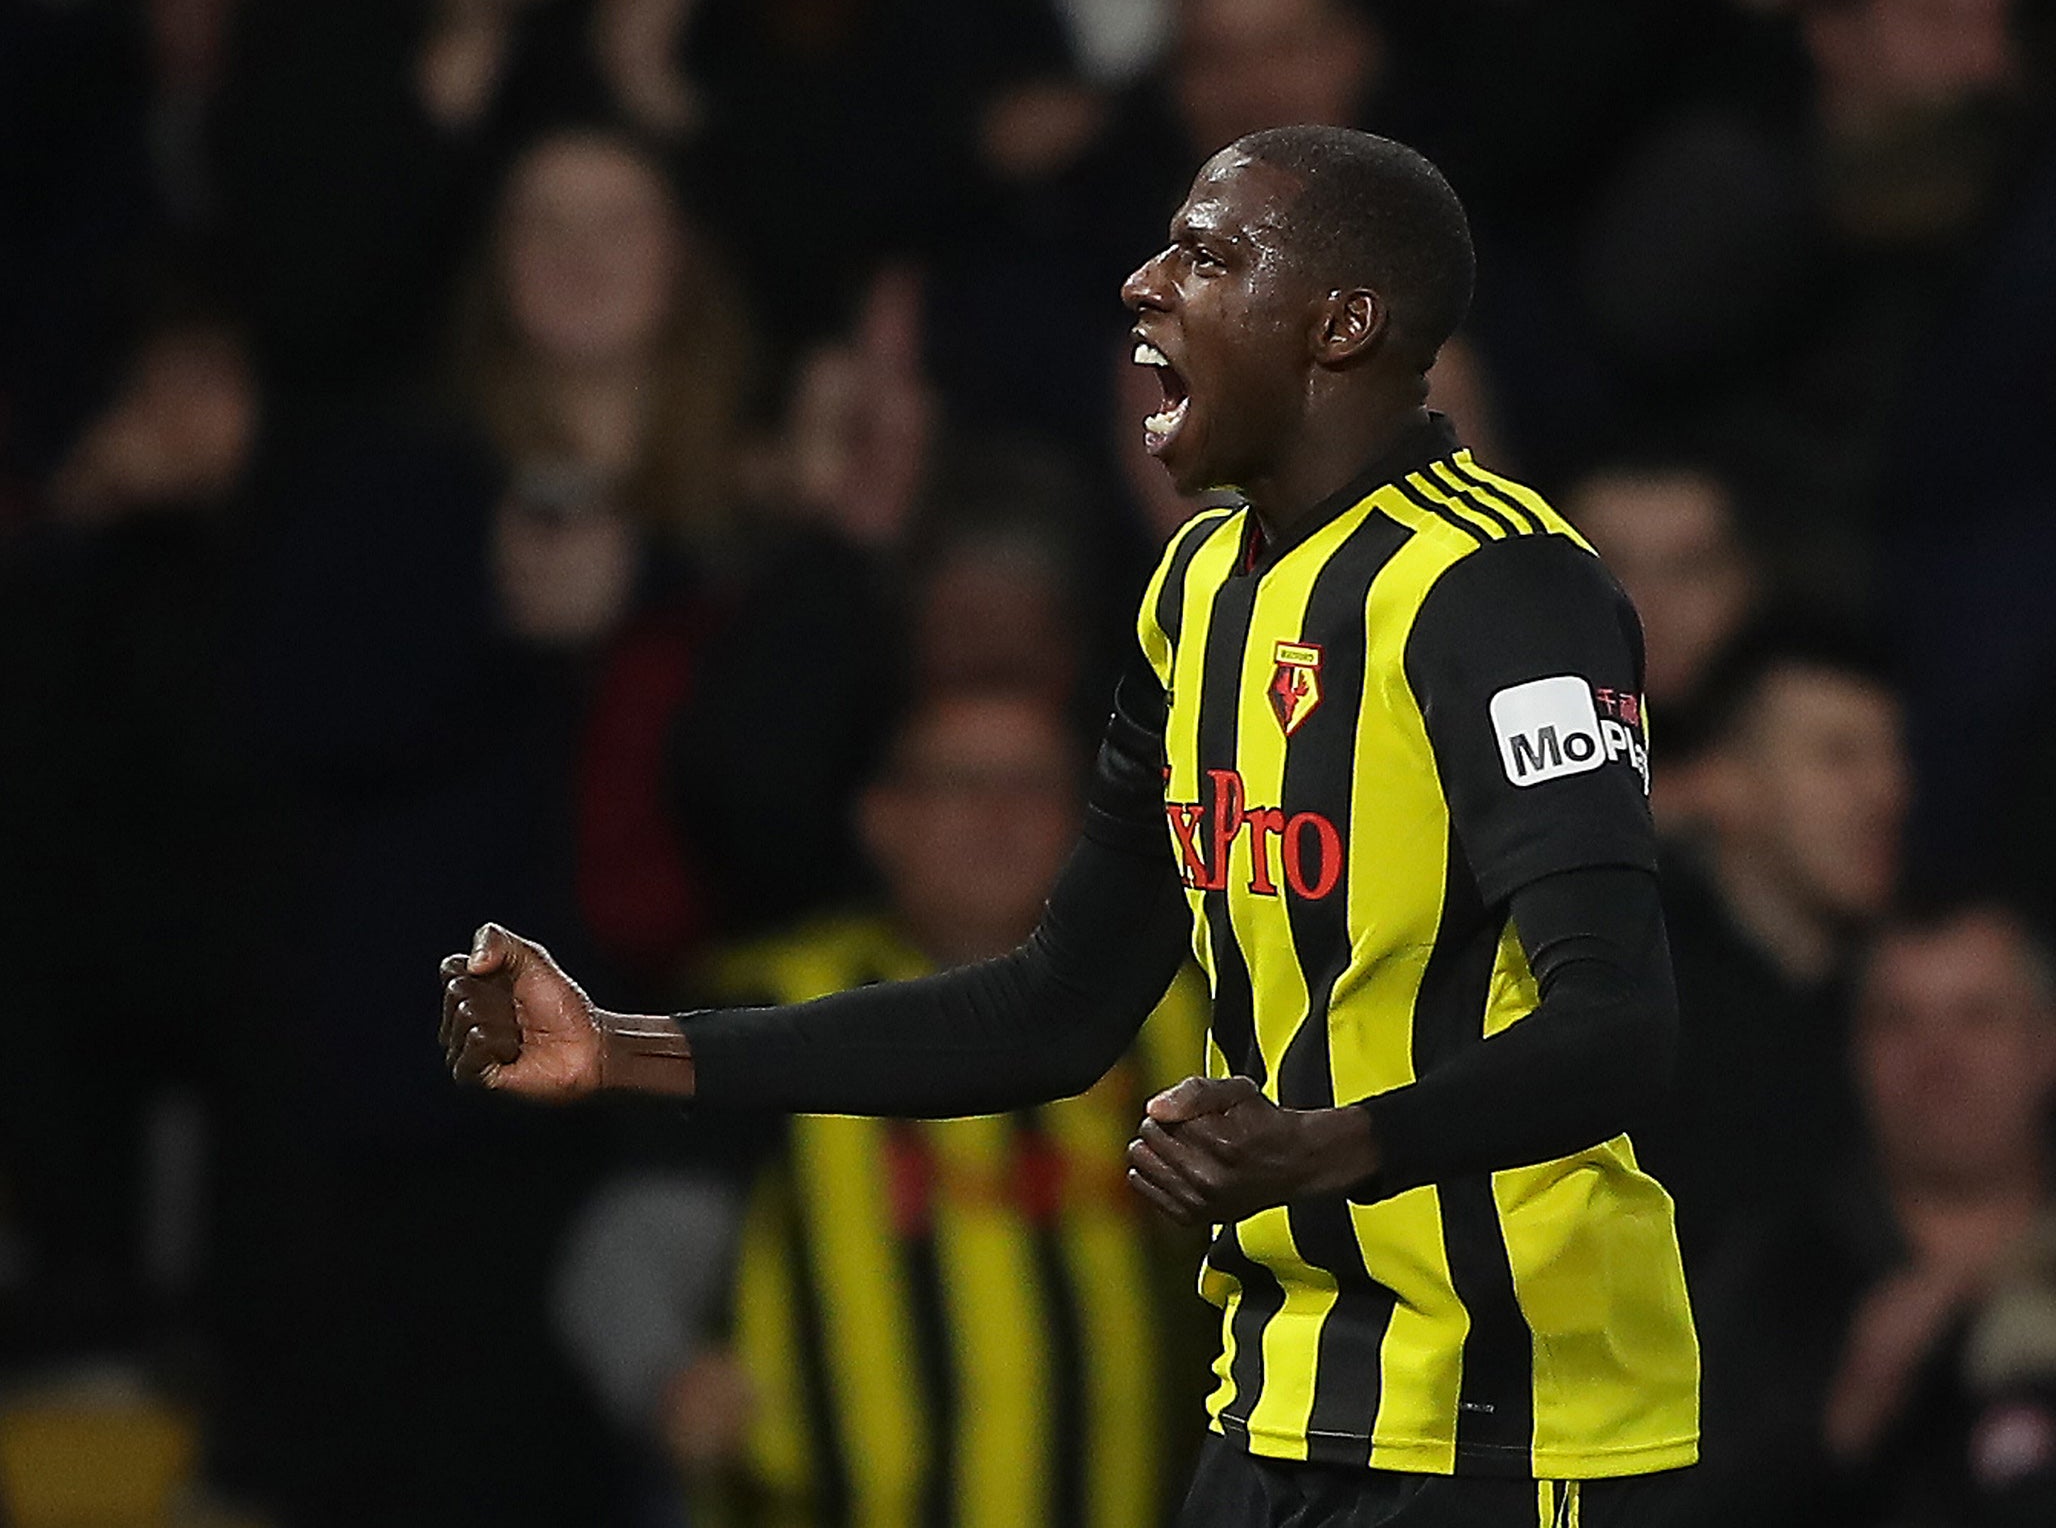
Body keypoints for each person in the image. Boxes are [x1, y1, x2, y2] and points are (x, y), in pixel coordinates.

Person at [443, 126, 1698, 1525]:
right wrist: (621, 1048)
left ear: (1342, 326)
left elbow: (1619, 1025)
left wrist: (1331, 1144)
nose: (1143, 284)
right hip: (1280, 1399)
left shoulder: (1503, 587)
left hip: (1511, 1417)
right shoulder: (1196, 593)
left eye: (1209, 256)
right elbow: (1054, 1008)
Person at [556, 690, 1211, 1527]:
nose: (996, 816)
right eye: (959, 784)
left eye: (1031, 786)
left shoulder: (1178, 1013)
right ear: (881, 819)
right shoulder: (771, 1002)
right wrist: (665, 1376)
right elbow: (629, 1253)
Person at [1680, 899, 2056, 1528]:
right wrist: (1841, 1422)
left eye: (1978, 1018)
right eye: (1898, 1022)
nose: (1939, 1060)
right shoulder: (1773, 1278)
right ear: (1854, 1052)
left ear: (2045, 1045)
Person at [1634, 621, 1908, 1263]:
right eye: (1839, 756)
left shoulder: (1905, 992)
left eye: (1894, 754)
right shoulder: (1643, 1012)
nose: (1887, 792)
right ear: (1724, 782)